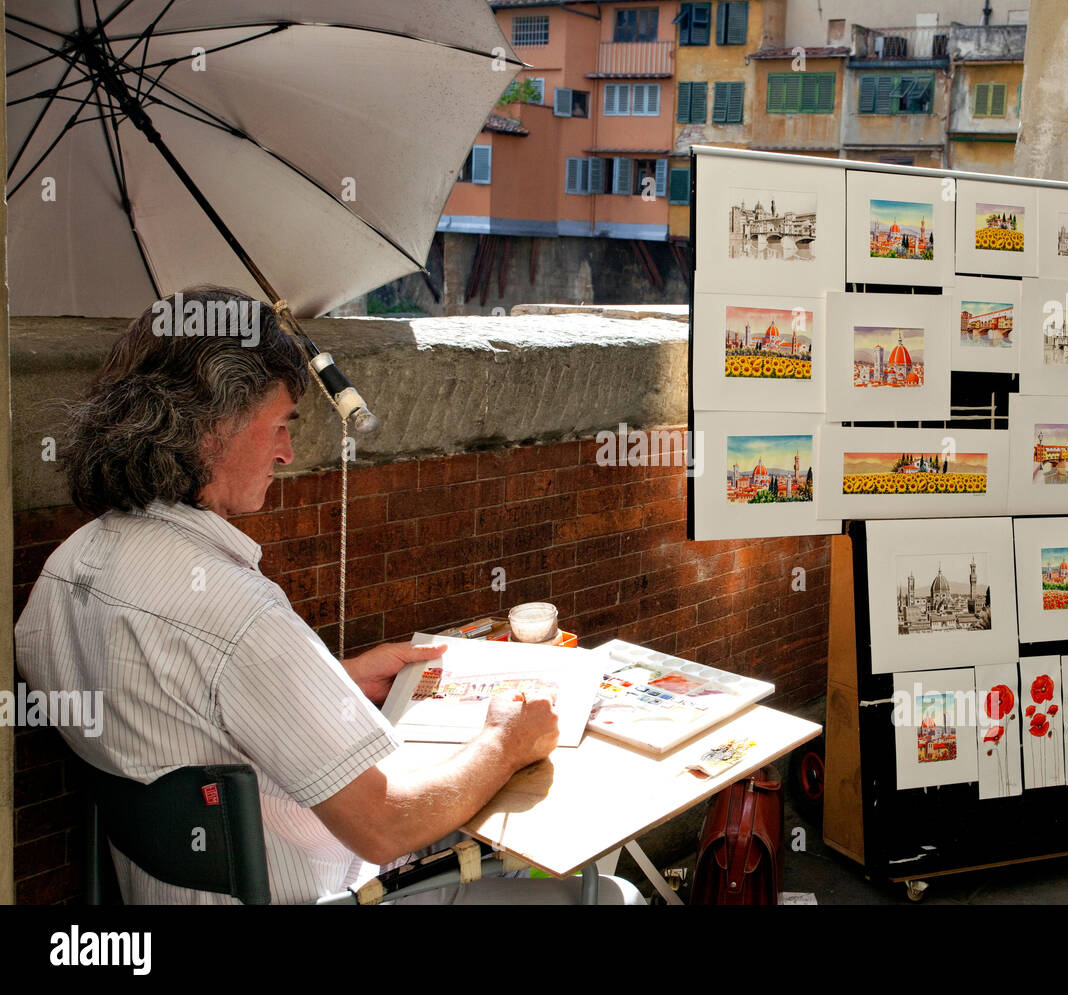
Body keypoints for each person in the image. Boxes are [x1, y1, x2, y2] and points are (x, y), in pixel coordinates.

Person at [14, 287, 642, 904]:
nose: (286, 454)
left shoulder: (67, 569)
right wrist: (505, 742)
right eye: (280, 425)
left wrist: (329, 680)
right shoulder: (232, 613)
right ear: (210, 430)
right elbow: (384, 825)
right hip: (326, 889)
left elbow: (167, 718)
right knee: (611, 894)